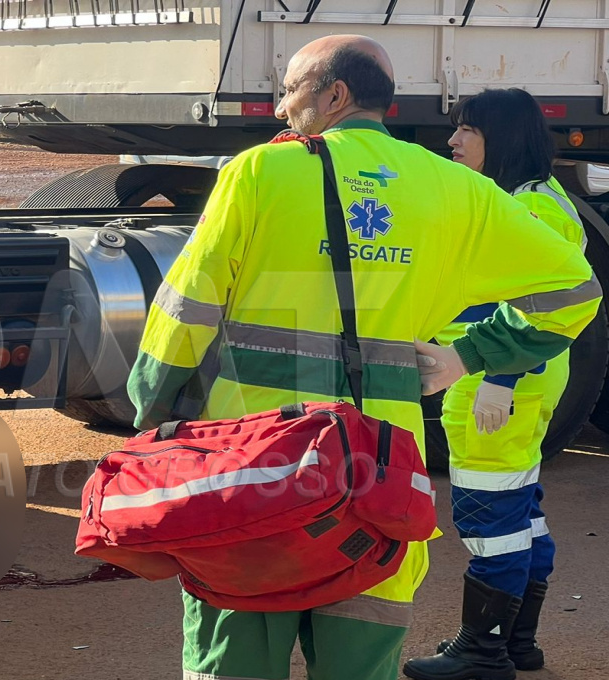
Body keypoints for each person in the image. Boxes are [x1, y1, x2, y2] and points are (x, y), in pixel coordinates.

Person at [126, 35, 601, 680]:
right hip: (379, 473)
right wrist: (470, 357)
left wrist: (153, 411)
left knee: (231, 657)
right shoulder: (454, 188)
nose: (280, 109)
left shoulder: (260, 172)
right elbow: (575, 293)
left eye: (289, 91)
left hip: (254, 468)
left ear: (334, 95)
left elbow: (183, 312)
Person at [401, 89, 585, 680]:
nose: (452, 141)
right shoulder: (532, 199)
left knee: (489, 515)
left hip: (506, 380)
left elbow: (540, 303)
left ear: (498, 138)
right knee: (521, 510)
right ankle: (515, 645)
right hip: (514, 377)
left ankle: (482, 653)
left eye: (466, 130)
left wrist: (498, 377)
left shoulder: (532, 210)